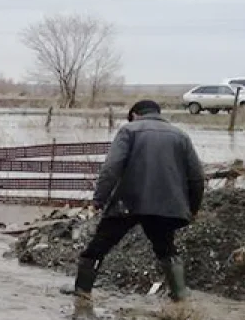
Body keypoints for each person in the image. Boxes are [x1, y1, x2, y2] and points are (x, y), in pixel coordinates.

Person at [65, 100, 205, 303]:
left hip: (128, 203)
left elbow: (111, 168)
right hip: (164, 207)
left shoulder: (129, 131)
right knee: (166, 249)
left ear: (135, 115)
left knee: (99, 246)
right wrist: (193, 208)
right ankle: (180, 297)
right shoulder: (180, 136)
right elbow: (197, 177)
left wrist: (99, 200)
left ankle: (82, 292)